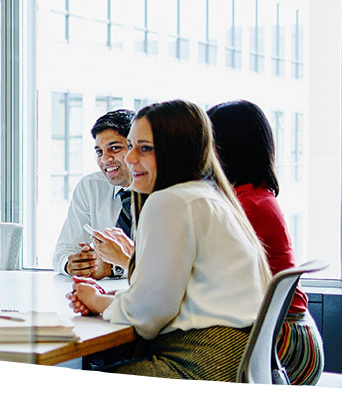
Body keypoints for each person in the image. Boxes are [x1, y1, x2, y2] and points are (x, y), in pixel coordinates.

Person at [67, 99, 271, 382]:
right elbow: (171, 295)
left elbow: (148, 317)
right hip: (233, 359)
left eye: (144, 148)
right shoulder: (208, 197)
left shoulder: (170, 202)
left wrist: (97, 300)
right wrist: (114, 298)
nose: (129, 158)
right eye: (132, 145)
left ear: (176, 150)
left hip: (198, 363)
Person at [208, 99, 324, 385]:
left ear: (225, 149)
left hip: (282, 350)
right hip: (284, 340)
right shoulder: (255, 197)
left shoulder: (247, 207)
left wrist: (129, 261)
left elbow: (201, 279)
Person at [52, 109, 137, 279]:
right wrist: (73, 264)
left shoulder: (164, 193)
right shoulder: (91, 186)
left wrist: (115, 268)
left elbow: (168, 269)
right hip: (103, 294)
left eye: (114, 148)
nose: (105, 159)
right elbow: (64, 249)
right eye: (99, 152)